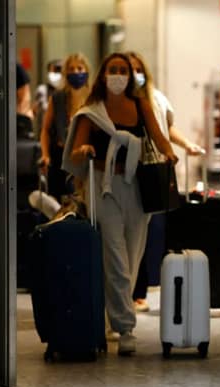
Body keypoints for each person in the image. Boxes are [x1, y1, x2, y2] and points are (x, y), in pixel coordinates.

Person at [62, 52, 178, 356]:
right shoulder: (92, 112)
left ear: (130, 76)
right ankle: (126, 327)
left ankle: (110, 316)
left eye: (122, 70)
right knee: (114, 256)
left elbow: (158, 135)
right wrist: (85, 148)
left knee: (132, 256)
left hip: (139, 187)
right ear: (102, 75)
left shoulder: (141, 105)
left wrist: (170, 153)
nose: (117, 75)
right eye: (112, 69)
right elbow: (74, 153)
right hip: (105, 188)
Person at [126, 51, 205, 313]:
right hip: (130, 171)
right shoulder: (122, 102)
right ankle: (132, 291)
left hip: (157, 169)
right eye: (130, 69)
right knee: (132, 233)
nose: (134, 74)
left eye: (138, 68)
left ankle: (145, 288)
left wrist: (186, 145)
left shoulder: (157, 98)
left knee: (153, 231)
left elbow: (166, 130)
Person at [39, 53, 91, 202]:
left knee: (82, 202)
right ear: (65, 73)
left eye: (79, 68)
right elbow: (46, 130)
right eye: (71, 69)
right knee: (59, 204)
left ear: (87, 71)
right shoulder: (57, 98)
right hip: (60, 157)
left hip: (84, 158)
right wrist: (45, 154)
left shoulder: (93, 97)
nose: (75, 72)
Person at [33, 59, 63, 134]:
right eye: (54, 70)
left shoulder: (70, 91)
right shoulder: (42, 90)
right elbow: (34, 111)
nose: (57, 73)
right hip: (47, 132)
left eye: (59, 70)